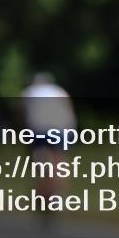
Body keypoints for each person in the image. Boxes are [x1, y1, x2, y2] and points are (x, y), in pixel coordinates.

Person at [20, 71, 77, 220]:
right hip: (60, 127)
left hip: (38, 127)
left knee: (40, 160)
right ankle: (58, 195)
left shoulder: (29, 92)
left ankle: (42, 192)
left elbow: (21, 112)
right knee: (60, 160)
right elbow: (68, 108)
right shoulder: (59, 91)